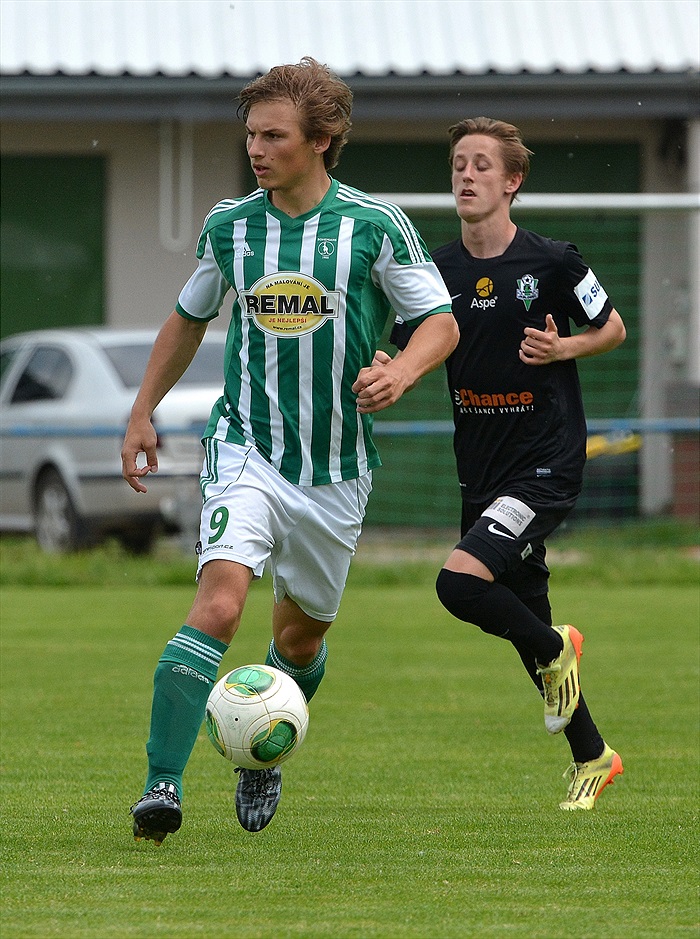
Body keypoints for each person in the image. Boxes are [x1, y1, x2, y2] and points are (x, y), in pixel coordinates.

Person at [121, 57, 458, 844]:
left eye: (273, 135)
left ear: (323, 139)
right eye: (251, 134)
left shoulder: (374, 226)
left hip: (337, 469)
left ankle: (261, 747)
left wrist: (402, 369)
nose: (256, 149)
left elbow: (440, 320)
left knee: (300, 638)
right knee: (221, 601)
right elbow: (187, 318)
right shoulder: (231, 226)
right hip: (246, 446)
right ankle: (159, 786)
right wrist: (143, 410)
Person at [389, 117, 626, 811]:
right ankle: (593, 753)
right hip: (482, 470)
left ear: (512, 181)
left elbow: (611, 326)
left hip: (546, 462)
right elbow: (407, 347)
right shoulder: (433, 272)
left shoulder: (554, 262)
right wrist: (386, 368)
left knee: (458, 584)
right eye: (458, 163)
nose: (466, 175)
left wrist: (564, 351)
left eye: (481, 165)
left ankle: (558, 645)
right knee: (525, 620)